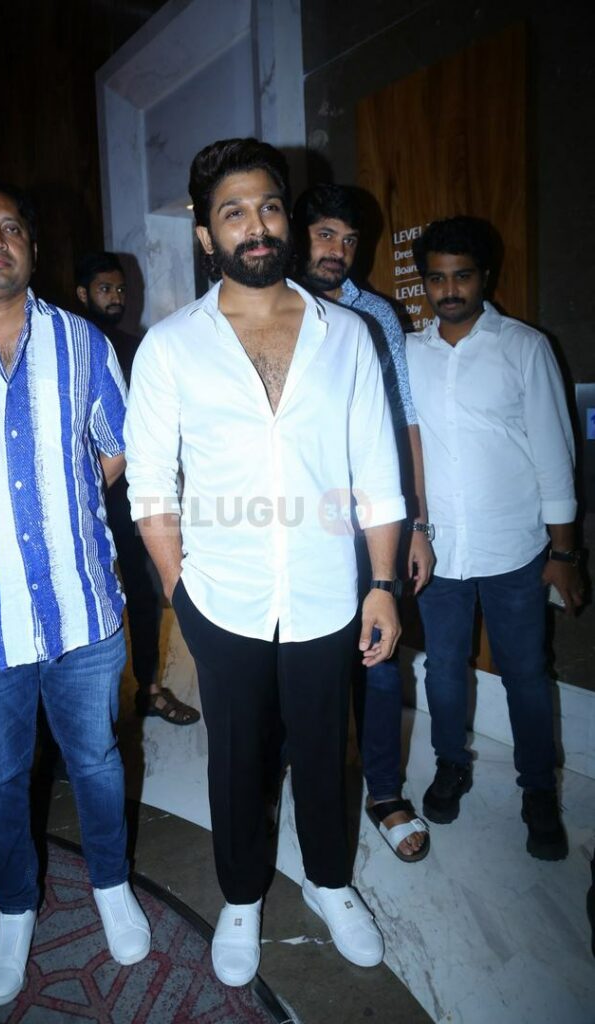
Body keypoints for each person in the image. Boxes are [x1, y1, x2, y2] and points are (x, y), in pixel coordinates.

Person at [125, 138, 406, 986]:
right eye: (233, 212)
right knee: (236, 759)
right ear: (205, 236)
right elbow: (150, 485)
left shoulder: (346, 334)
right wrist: (180, 592)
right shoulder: (170, 345)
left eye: (269, 206)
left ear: (287, 218)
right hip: (222, 597)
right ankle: (241, 896)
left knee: (325, 750)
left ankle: (329, 882)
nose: (256, 226)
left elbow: (377, 471)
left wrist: (382, 585)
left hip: (328, 592)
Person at [0, 179, 150, 1006]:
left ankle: (111, 884)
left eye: (11, 228)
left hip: (82, 607)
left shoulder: (81, 340)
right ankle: (14, 907)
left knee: (97, 761)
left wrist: (65, 498)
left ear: (32, 250)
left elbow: (115, 446)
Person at [407, 216, 583, 859]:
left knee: (527, 675)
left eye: (462, 276)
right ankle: (450, 765)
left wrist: (564, 552)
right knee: (443, 669)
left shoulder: (525, 347)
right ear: (425, 283)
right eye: (437, 278)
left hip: (515, 548)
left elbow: (555, 454)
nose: (449, 290)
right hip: (439, 552)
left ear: (485, 277)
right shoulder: (410, 354)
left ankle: (538, 790)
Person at [293, 183, 432, 862]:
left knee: (378, 658)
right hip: (290, 521)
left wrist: (419, 525)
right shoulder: (267, 309)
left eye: (349, 240)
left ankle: (383, 790)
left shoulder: (375, 315)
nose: (338, 251)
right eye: (325, 234)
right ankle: (295, 774)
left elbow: (405, 421)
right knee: (292, 658)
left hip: (367, 524)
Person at [75, 252, 199, 725]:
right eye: (105, 289)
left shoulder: (138, 347)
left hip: (129, 497)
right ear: (83, 293)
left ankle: (149, 690)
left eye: (121, 289)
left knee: (145, 597)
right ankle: (84, 715)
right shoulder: (67, 345)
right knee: (85, 603)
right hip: (78, 501)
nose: (116, 297)